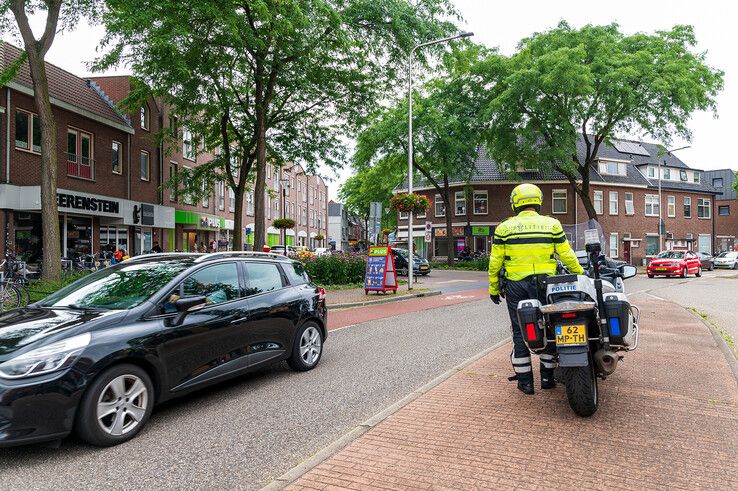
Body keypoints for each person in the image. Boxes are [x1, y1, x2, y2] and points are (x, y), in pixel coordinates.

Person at [488, 183, 584, 395]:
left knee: (519, 331)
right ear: (538, 201)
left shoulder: (504, 228)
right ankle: (548, 379)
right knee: (550, 326)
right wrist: (581, 274)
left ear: (515, 203)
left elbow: (495, 262)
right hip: (546, 285)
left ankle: (526, 383)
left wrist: (494, 288)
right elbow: (566, 254)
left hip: (516, 286)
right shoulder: (552, 224)